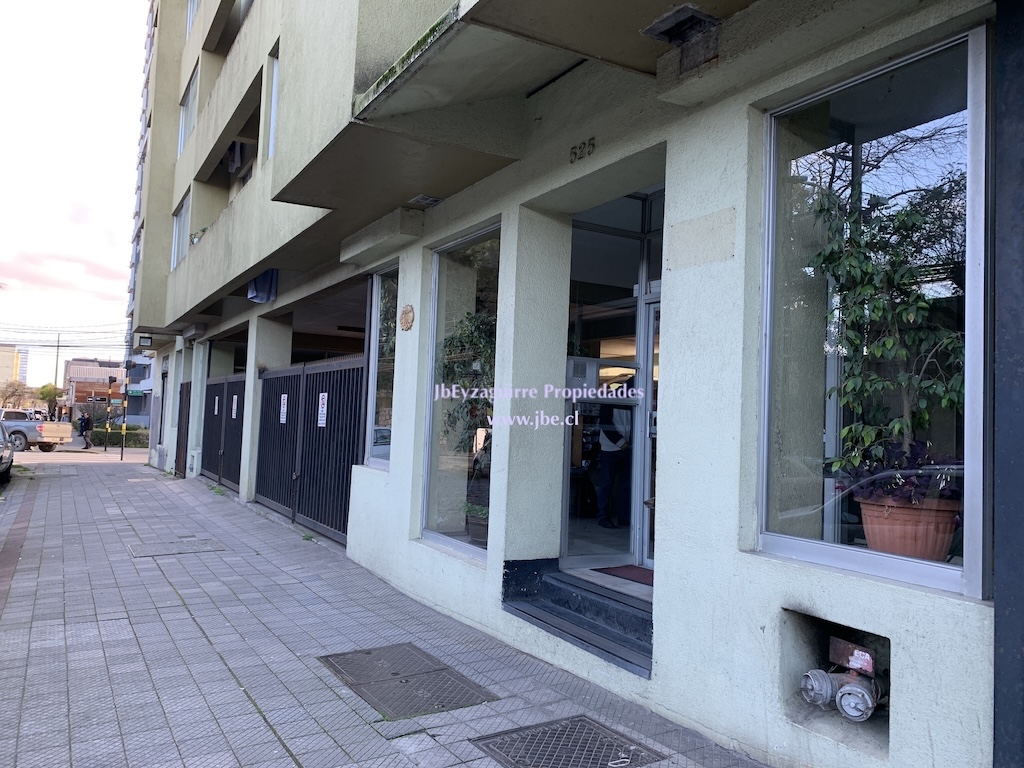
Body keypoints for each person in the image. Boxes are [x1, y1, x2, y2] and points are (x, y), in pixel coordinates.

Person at [595, 402, 632, 529]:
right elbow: (605, 424)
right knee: (609, 484)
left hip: (621, 448)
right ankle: (604, 516)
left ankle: (621, 516)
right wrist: (622, 442)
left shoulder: (618, 400)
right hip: (611, 449)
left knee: (623, 485)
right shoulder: (610, 402)